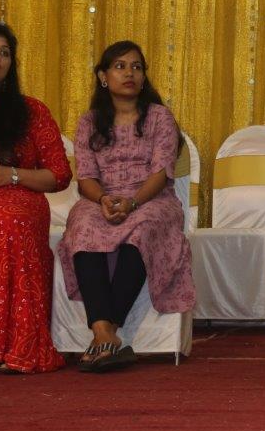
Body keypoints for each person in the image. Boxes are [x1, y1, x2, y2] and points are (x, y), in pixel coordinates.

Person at [57, 41, 195, 372]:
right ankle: (105, 335)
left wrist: (132, 202)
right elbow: (86, 178)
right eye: (120, 66)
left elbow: (161, 173)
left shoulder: (160, 117)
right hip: (101, 199)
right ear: (103, 77)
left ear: (144, 77)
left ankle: (104, 334)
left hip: (151, 199)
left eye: (136, 67)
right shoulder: (89, 122)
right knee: (83, 225)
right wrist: (103, 199)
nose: (129, 73)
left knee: (143, 227)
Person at [0, 22, 71, 374]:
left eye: (4, 52)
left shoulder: (31, 111)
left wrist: (10, 174)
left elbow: (59, 174)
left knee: (8, 222)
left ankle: (14, 345)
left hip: (17, 194)